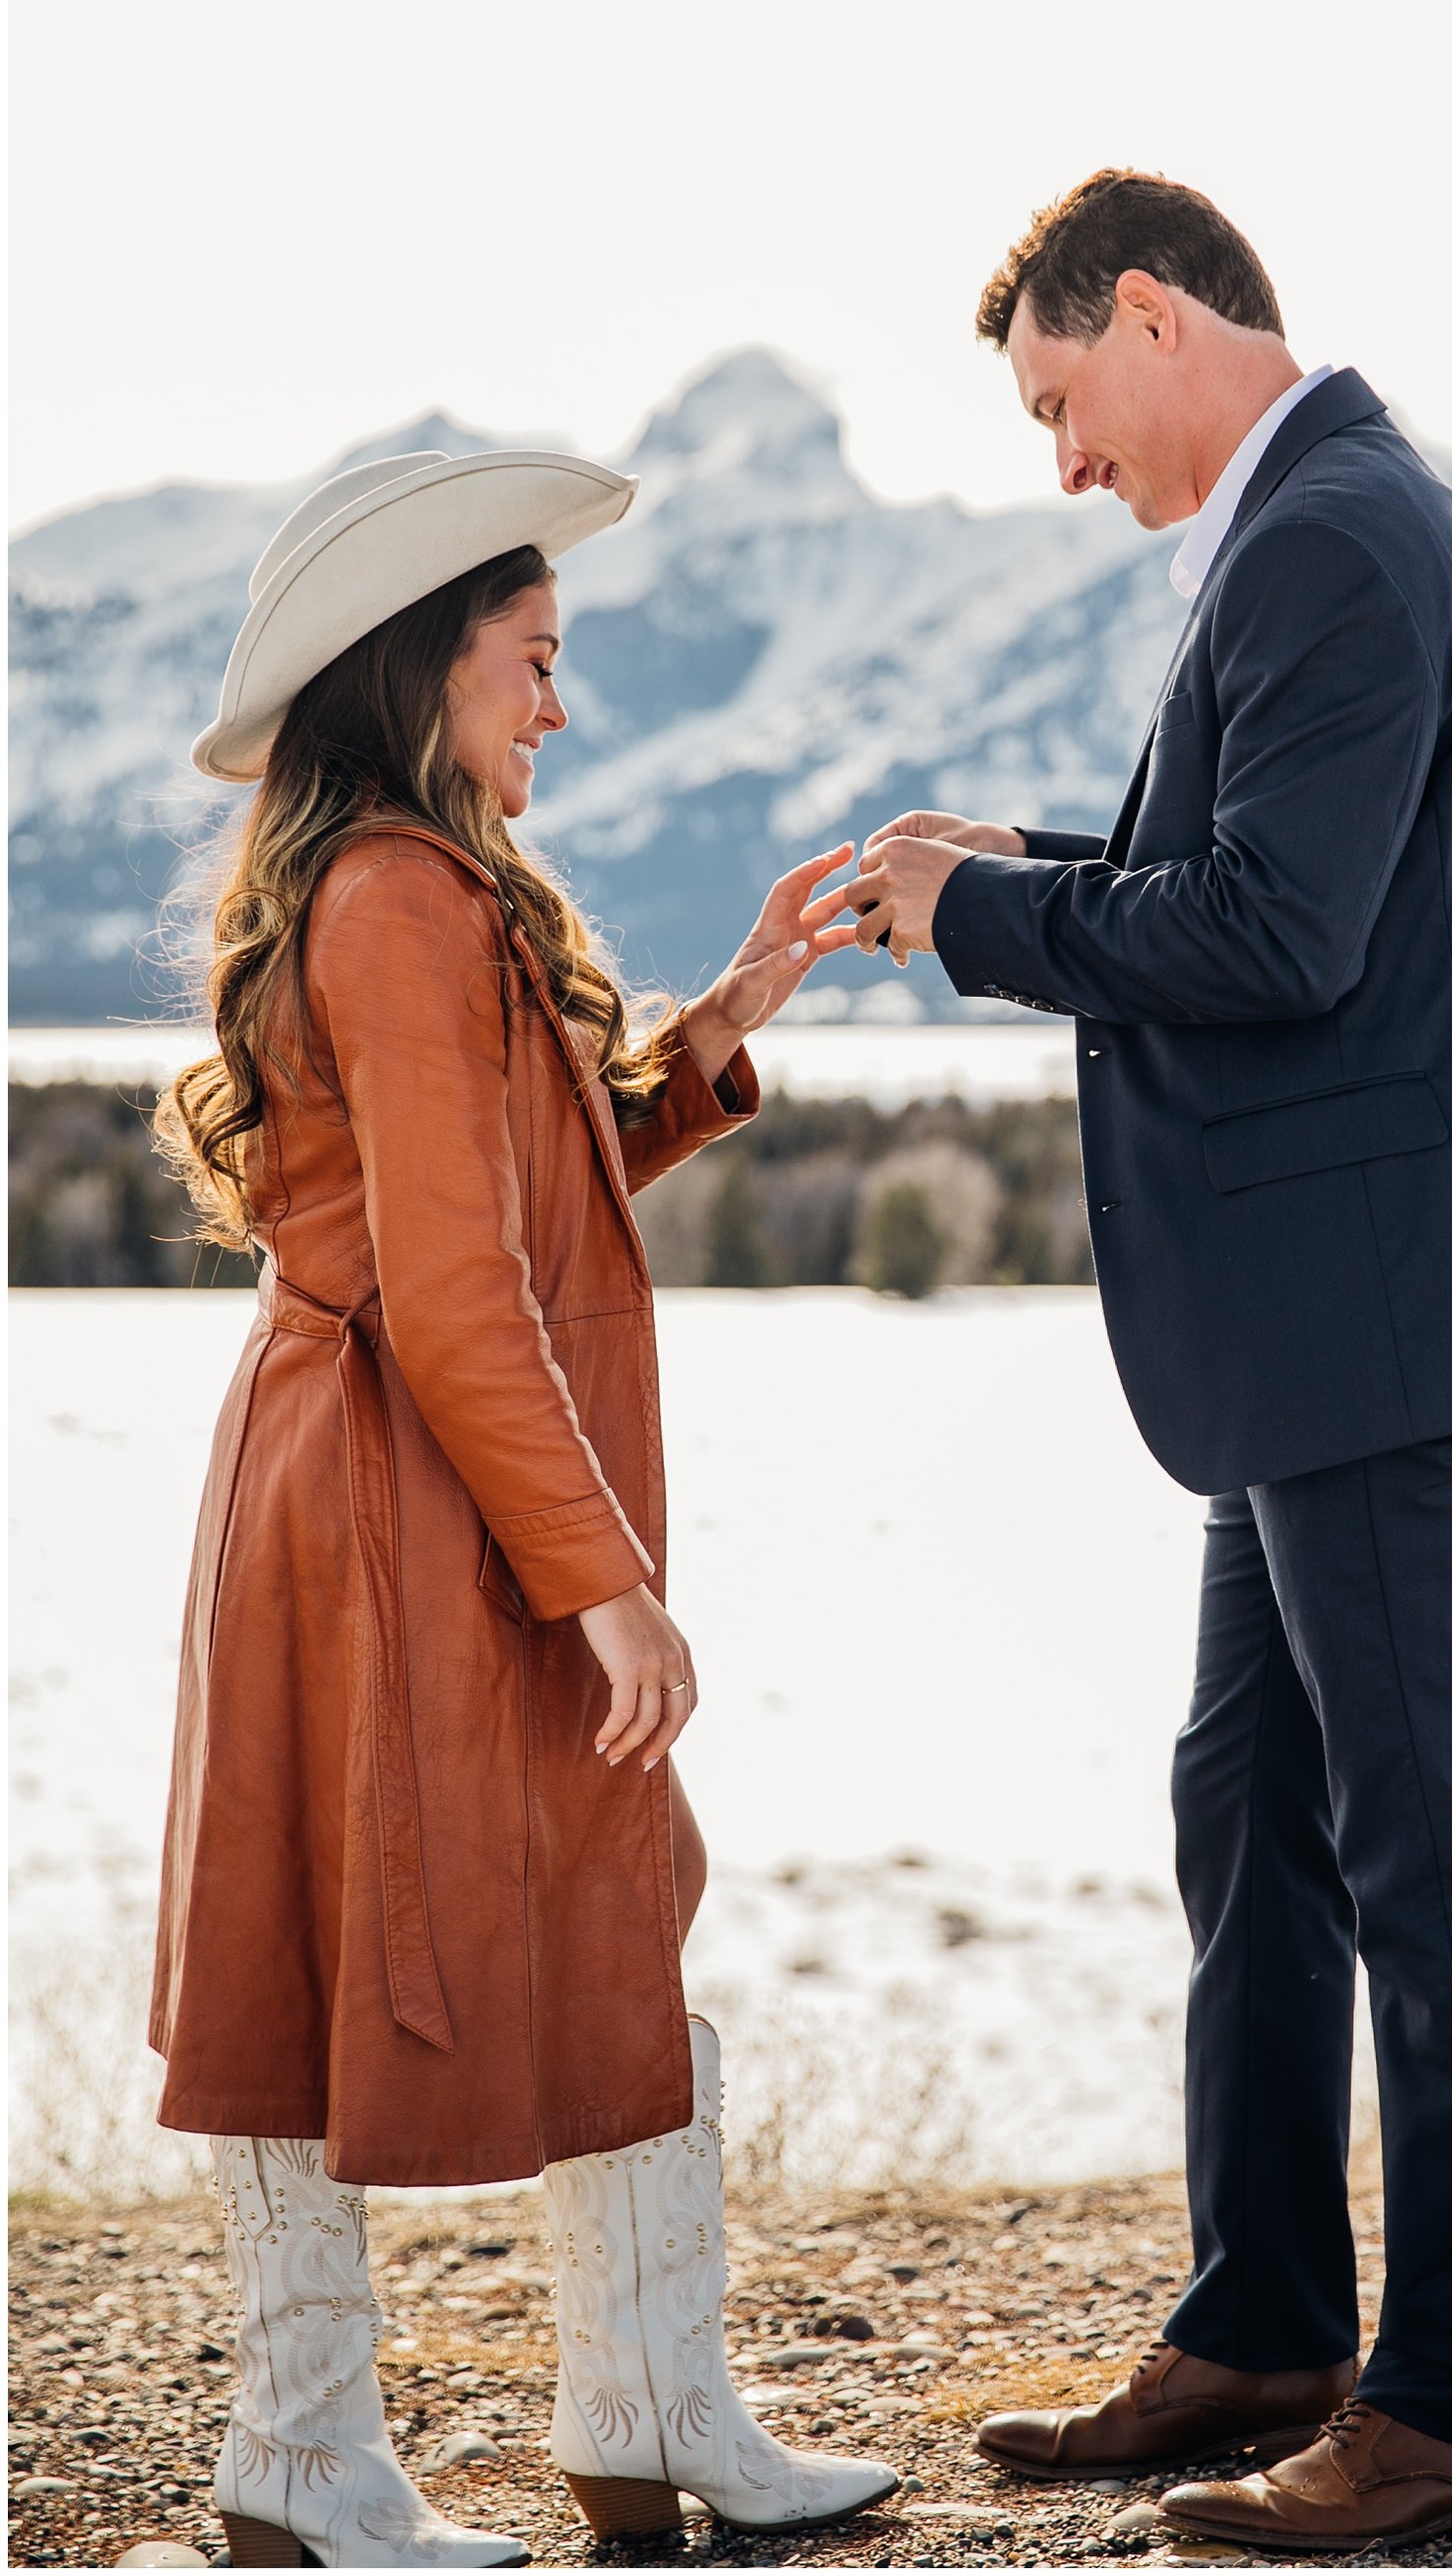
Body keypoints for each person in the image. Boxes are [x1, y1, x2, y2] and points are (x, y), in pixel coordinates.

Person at [842, 170, 1452, 2555]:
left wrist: (989, 914)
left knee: (1433, 1865)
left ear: (1155, 312)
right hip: (1312, 1333)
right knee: (1250, 1823)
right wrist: (1024, 855)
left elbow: (1279, 932)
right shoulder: (1322, 529)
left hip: (1372, 1325)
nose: (1064, 464)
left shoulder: (1334, 538)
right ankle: (1267, 2315)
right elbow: (1268, 866)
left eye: (1063, 402)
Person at [149, 444, 896, 2566]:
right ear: (420, 666)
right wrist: (613, 1589)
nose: (557, 708)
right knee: (376, 1922)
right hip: (393, 1497)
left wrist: (718, 1027)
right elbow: (458, 1286)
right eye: (532, 661)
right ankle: (347, 2449)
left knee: (599, 1889)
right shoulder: (395, 897)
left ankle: (631, 2419)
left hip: (396, 1475)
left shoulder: (417, 883)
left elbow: (498, 1203)